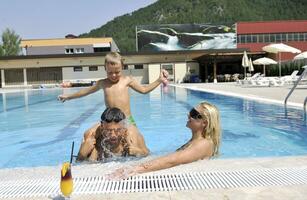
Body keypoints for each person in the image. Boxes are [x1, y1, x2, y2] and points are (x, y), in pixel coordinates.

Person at [58, 52, 169, 156]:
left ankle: (142, 153)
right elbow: (85, 91)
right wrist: (68, 97)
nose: (114, 75)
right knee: (88, 134)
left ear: (122, 67)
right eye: (110, 72)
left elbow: (144, 90)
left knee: (132, 140)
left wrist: (159, 80)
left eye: (117, 72)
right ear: (105, 68)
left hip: (127, 120)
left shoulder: (127, 80)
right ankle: (83, 157)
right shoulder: (103, 83)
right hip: (109, 122)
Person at [109, 101, 221, 179]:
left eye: (193, 114)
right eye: (191, 111)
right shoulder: (197, 141)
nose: (188, 114)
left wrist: (134, 169)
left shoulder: (203, 144)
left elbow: (172, 160)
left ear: (204, 123)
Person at [77, 107, 141, 161]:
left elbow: (148, 155)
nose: (113, 135)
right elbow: (81, 165)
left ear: (123, 127)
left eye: (118, 130)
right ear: (102, 127)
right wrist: (81, 155)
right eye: (108, 130)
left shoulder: (132, 133)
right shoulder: (92, 135)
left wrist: (139, 152)